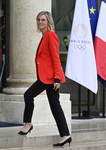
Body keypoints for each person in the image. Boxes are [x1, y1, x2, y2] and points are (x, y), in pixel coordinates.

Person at [18, 11, 72, 147]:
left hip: (49, 78)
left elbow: (56, 58)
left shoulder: (51, 35)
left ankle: (28, 123)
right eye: (38, 20)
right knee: (55, 107)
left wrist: (57, 79)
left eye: (43, 20)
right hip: (47, 77)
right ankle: (65, 135)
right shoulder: (44, 36)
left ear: (49, 22)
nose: (40, 22)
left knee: (28, 95)